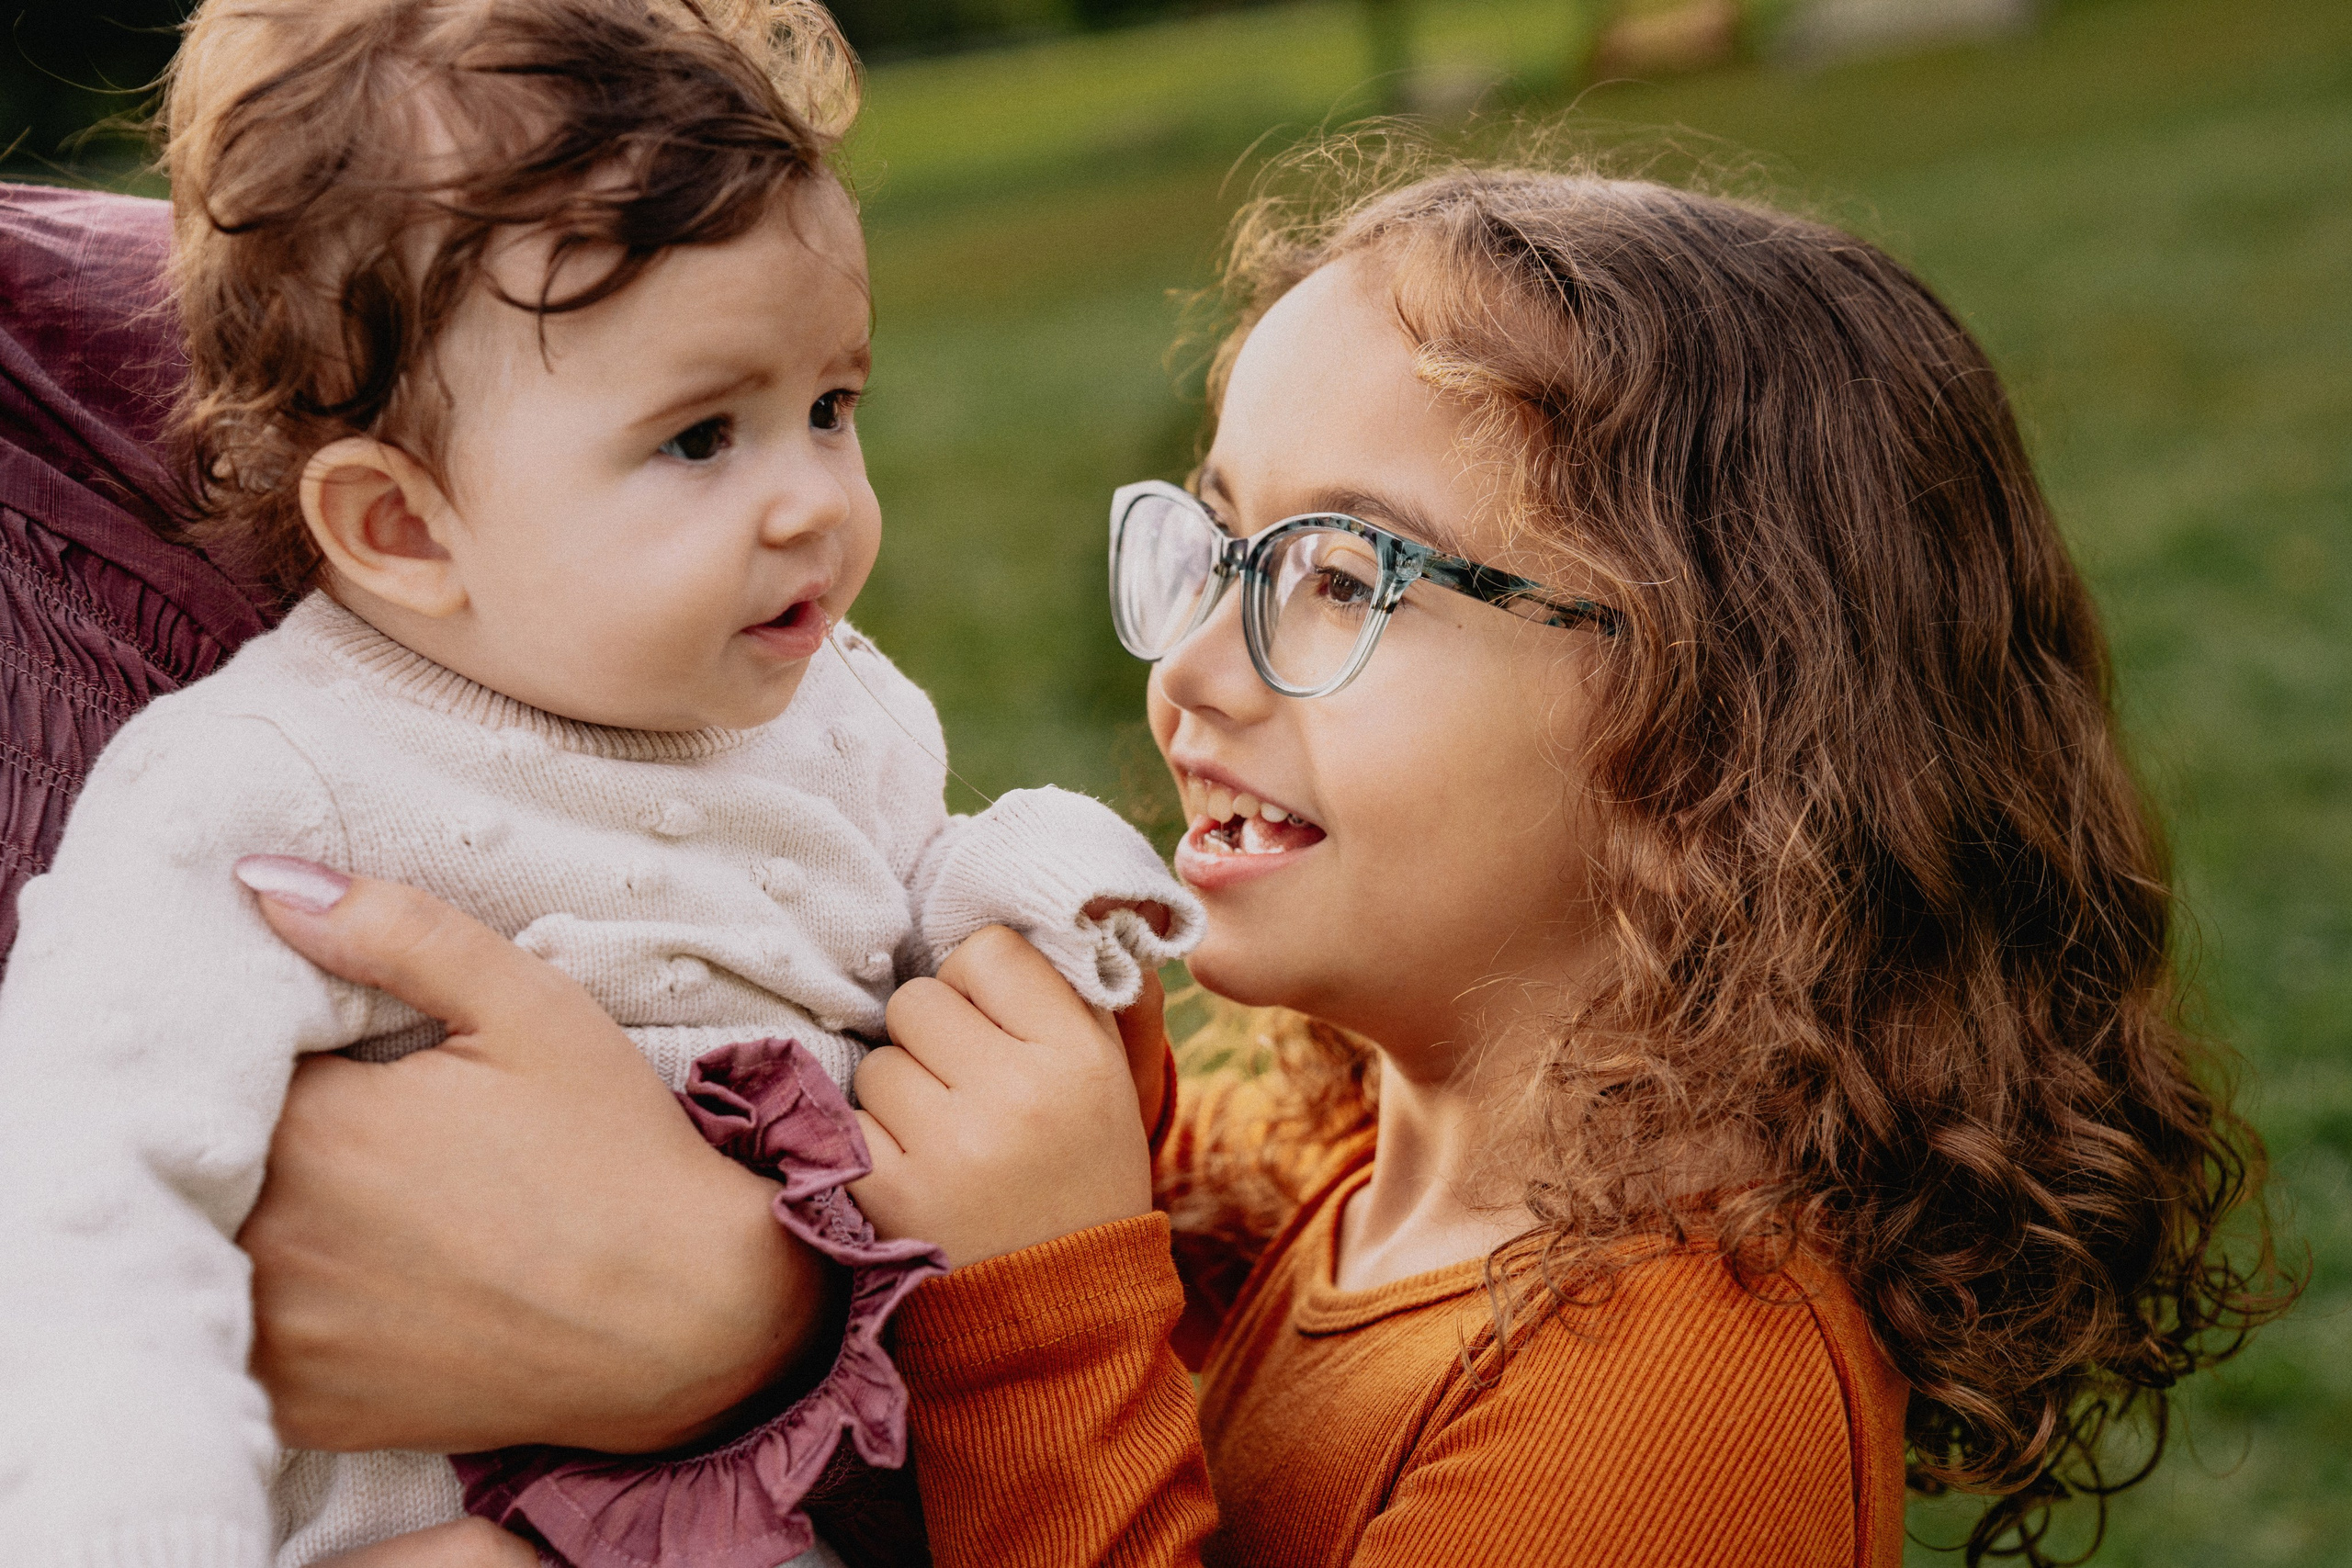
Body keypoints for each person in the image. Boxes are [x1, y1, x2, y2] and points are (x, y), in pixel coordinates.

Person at [229, 154, 2285, 1568]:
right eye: (1216, 545)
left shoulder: (1687, 1391)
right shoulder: (1340, 1171)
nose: (1194, 667)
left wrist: (1046, 1308)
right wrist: (1072, 1127)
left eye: (1339, 575)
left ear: (1714, 726)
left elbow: (1065, 1408)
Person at [0, 3, 1200, 1566]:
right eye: (701, 437)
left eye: (830, 408)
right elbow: (96, 1173)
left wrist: (1026, 898)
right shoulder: (262, 781)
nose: (815, 503)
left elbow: (906, 916)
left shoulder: (818, 692)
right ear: (402, 529)